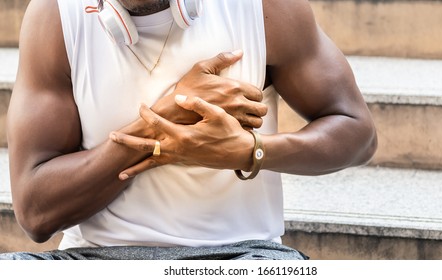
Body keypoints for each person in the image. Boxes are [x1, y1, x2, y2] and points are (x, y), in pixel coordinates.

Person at [1, 0, 377, 260]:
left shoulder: (263, 8)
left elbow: (357, 133)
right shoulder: (56, 15)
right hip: (94, 257)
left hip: (241, 254)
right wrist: (165, 122)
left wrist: (251, 151)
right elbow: (36, 211)